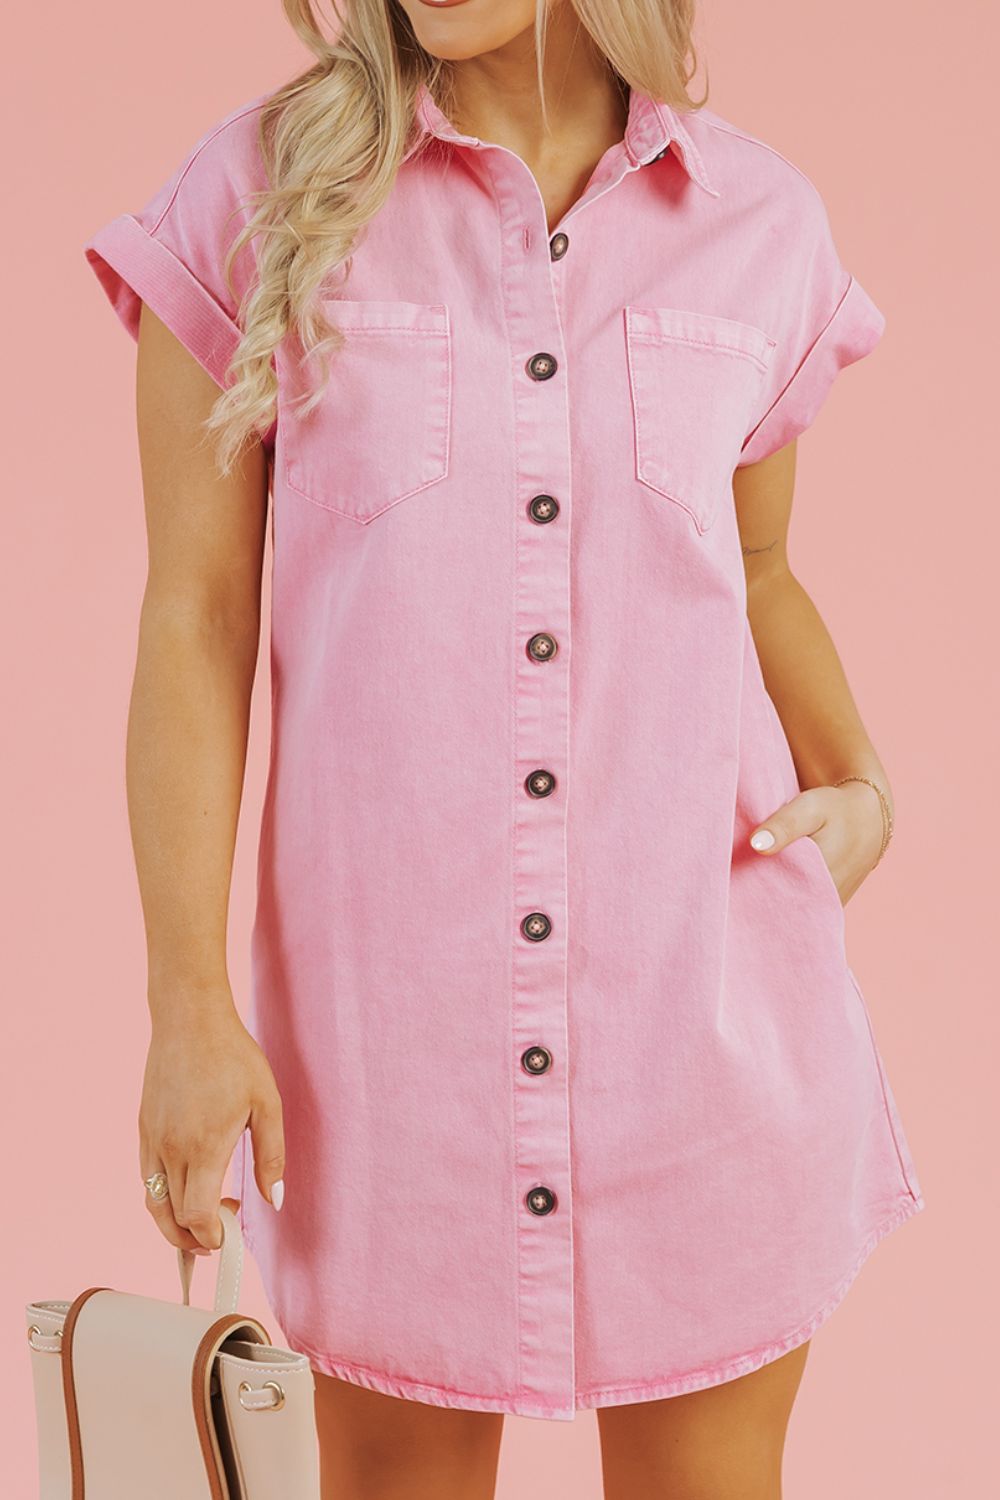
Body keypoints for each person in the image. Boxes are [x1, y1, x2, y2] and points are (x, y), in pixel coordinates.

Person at [83, 1, 925, 1496]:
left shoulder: (761, 222)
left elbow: (761, 568)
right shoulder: (255, 195)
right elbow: (194, 617)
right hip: (387, 1069)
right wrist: (188, 1003)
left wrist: (860, 779)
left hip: (709, 1036)